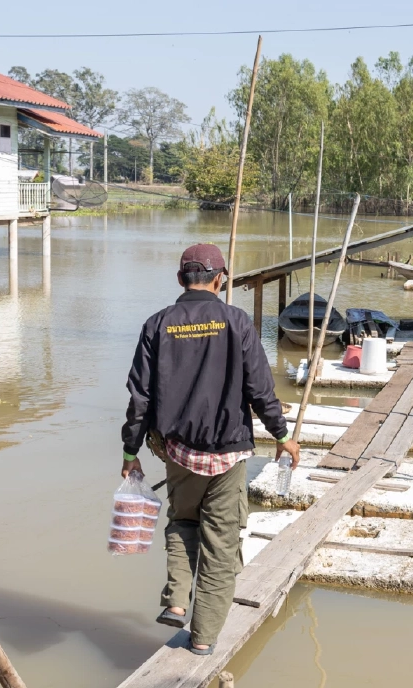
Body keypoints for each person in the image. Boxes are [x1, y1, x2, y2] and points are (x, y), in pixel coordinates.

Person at [121, 243, 300, 655]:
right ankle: (202, 638)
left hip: (178, 452)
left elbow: (140, 399)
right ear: (221, 279)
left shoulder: (158, 324)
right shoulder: (236, 321)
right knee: (220, 544)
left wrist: (131, 453)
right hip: (227, 455)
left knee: (183, 522)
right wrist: (281, 434)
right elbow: (259, 388)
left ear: (180, 278)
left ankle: (177, 600)